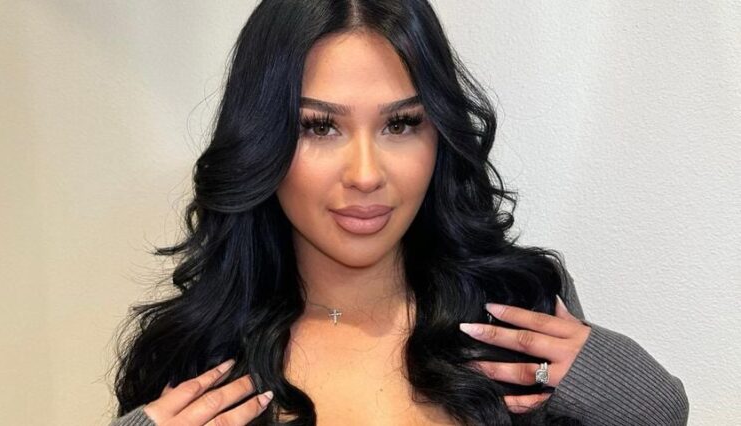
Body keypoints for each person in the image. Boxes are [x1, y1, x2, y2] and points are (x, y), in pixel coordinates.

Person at [109, 1, 689, 425]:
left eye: (401, 124)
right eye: (320, 127)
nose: (365, 174)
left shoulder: (516, 308)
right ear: (261, 141)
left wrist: (641, 396)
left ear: (440, 134)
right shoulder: (195, 352)